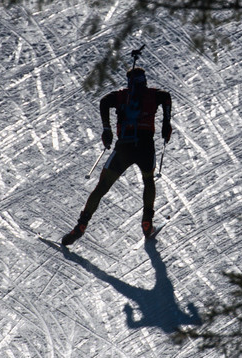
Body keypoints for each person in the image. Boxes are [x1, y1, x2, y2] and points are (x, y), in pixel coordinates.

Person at [62, 67, 172, 246]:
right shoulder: (153, 95)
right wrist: (166, 122)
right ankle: (147, 222)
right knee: (148, 181)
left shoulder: (122, 96)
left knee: (102, 187)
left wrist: (107, 128)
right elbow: (166, 96)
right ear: (144, 80)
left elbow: (104, 101)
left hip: (124, 147)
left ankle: (82, 225)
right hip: (145, 146)